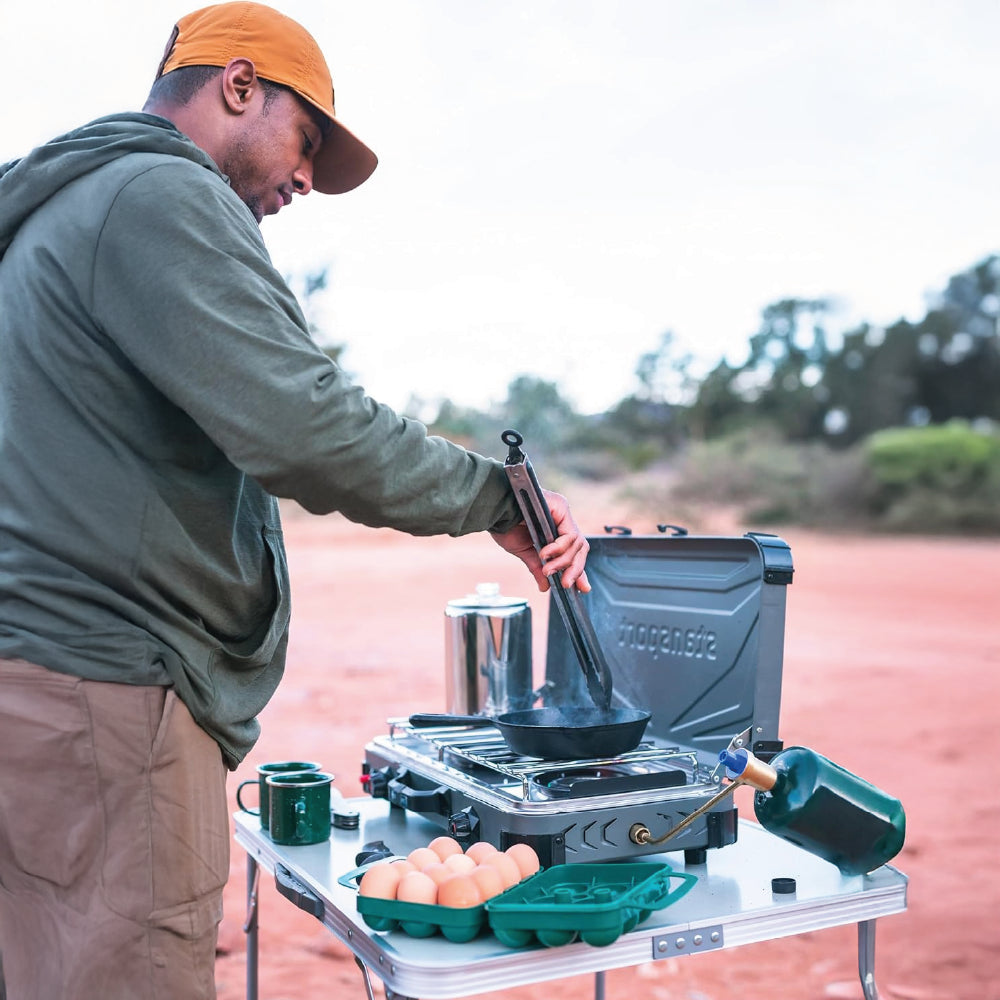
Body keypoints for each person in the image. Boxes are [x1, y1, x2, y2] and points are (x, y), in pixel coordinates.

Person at [0, 4, 591, 997]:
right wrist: (493, 496)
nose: (305, 176)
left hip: (38, 684)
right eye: (304, 138)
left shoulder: (55, 212)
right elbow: (305, 427)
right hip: (109, 694)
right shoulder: (158, 196)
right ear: (237, 87)